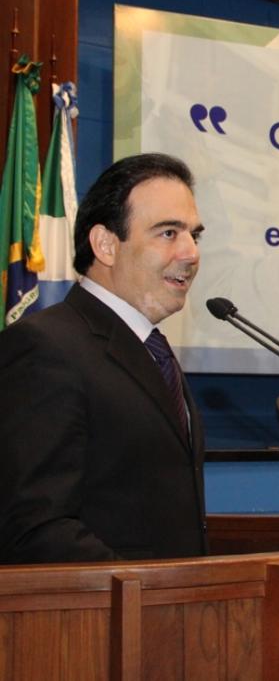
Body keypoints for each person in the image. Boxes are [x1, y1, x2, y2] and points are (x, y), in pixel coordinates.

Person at [0, 153, 208, 564]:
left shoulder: (152, 349)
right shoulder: (44, 348)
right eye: (168, 233)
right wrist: (140, 589)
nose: (190, 253)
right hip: (112, 603)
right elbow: (33, 526)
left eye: (194, 236)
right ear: (106, 245)